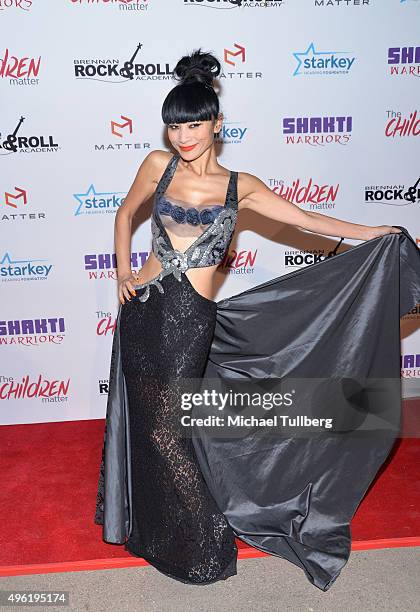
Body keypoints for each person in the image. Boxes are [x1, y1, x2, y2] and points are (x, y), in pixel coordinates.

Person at [94, 49, 418, 590]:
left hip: (188, 320)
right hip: (142, 311)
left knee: (167, 427)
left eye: (194, 124)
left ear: (216, 125)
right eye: (174, 126)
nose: (183, 136)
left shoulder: (240, 186)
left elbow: (307, 219)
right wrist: (121, 273)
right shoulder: (157, 165)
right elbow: (125, 214)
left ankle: (204, 542)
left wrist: (373, 234)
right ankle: (153, 530)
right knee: (149, 427)